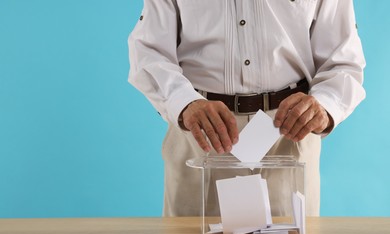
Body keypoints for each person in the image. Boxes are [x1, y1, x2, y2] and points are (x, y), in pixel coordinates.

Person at [128, 0, 365, 217]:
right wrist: (184, 102)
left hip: (288, 131)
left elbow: (343, 58)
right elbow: (149, 50)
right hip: (201, 132)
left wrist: (323, 104)